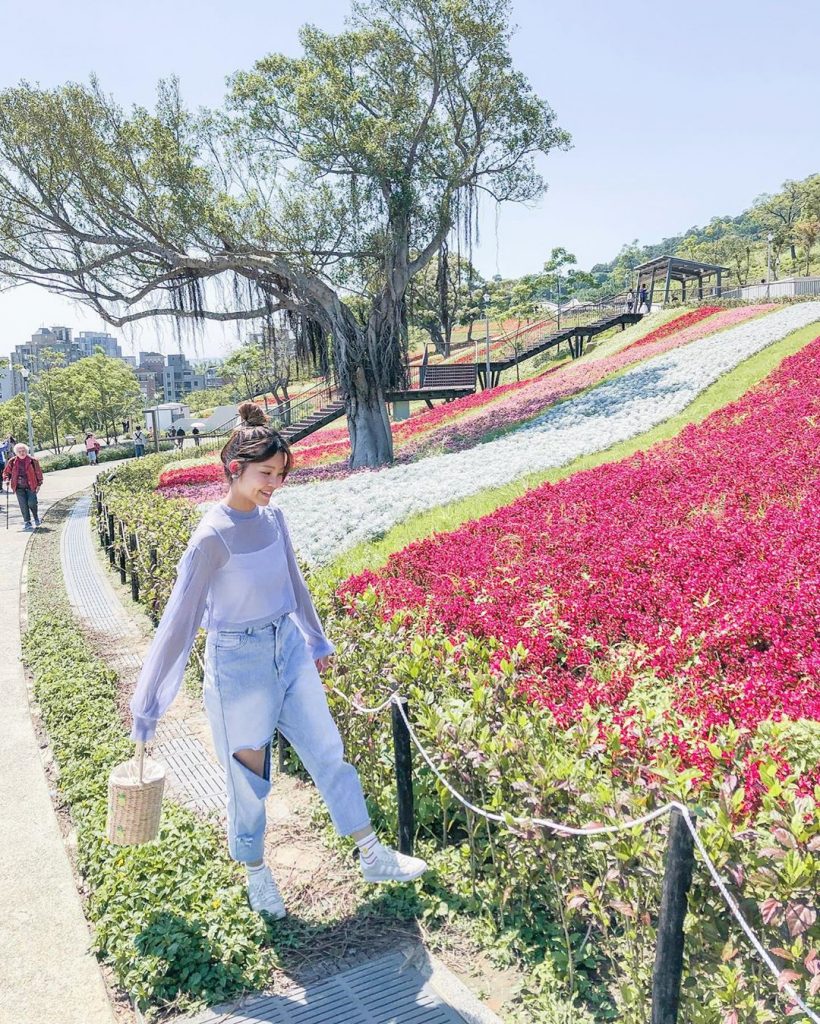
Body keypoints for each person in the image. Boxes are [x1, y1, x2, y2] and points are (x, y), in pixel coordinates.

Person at [129, 401, 427, 919]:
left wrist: (316, 643)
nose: (274, 483)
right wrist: (148, 706)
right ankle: (256, 872)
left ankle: (372, 854)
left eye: (280, 474)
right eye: (266, 474)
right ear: (234, 470)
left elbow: (296, 586)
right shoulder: (210, 539)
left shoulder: (274, 519)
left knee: (328, 752)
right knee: (249, 780)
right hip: (238, 664)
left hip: (287, 648)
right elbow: (177, 625)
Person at [3, 442, 43, 531]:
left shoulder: (33, 461)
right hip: (18, 487)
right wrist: (6, 479)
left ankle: (36, 518)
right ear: (16, 452)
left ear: (26, 451)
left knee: (32, 502)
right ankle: (27, 522)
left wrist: (39, 484)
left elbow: (38, 473)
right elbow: (6, 472)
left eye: (23, 450)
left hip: (31, 485)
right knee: (23, 505)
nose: (22, 452)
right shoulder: (12, 461)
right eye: (19, 451)